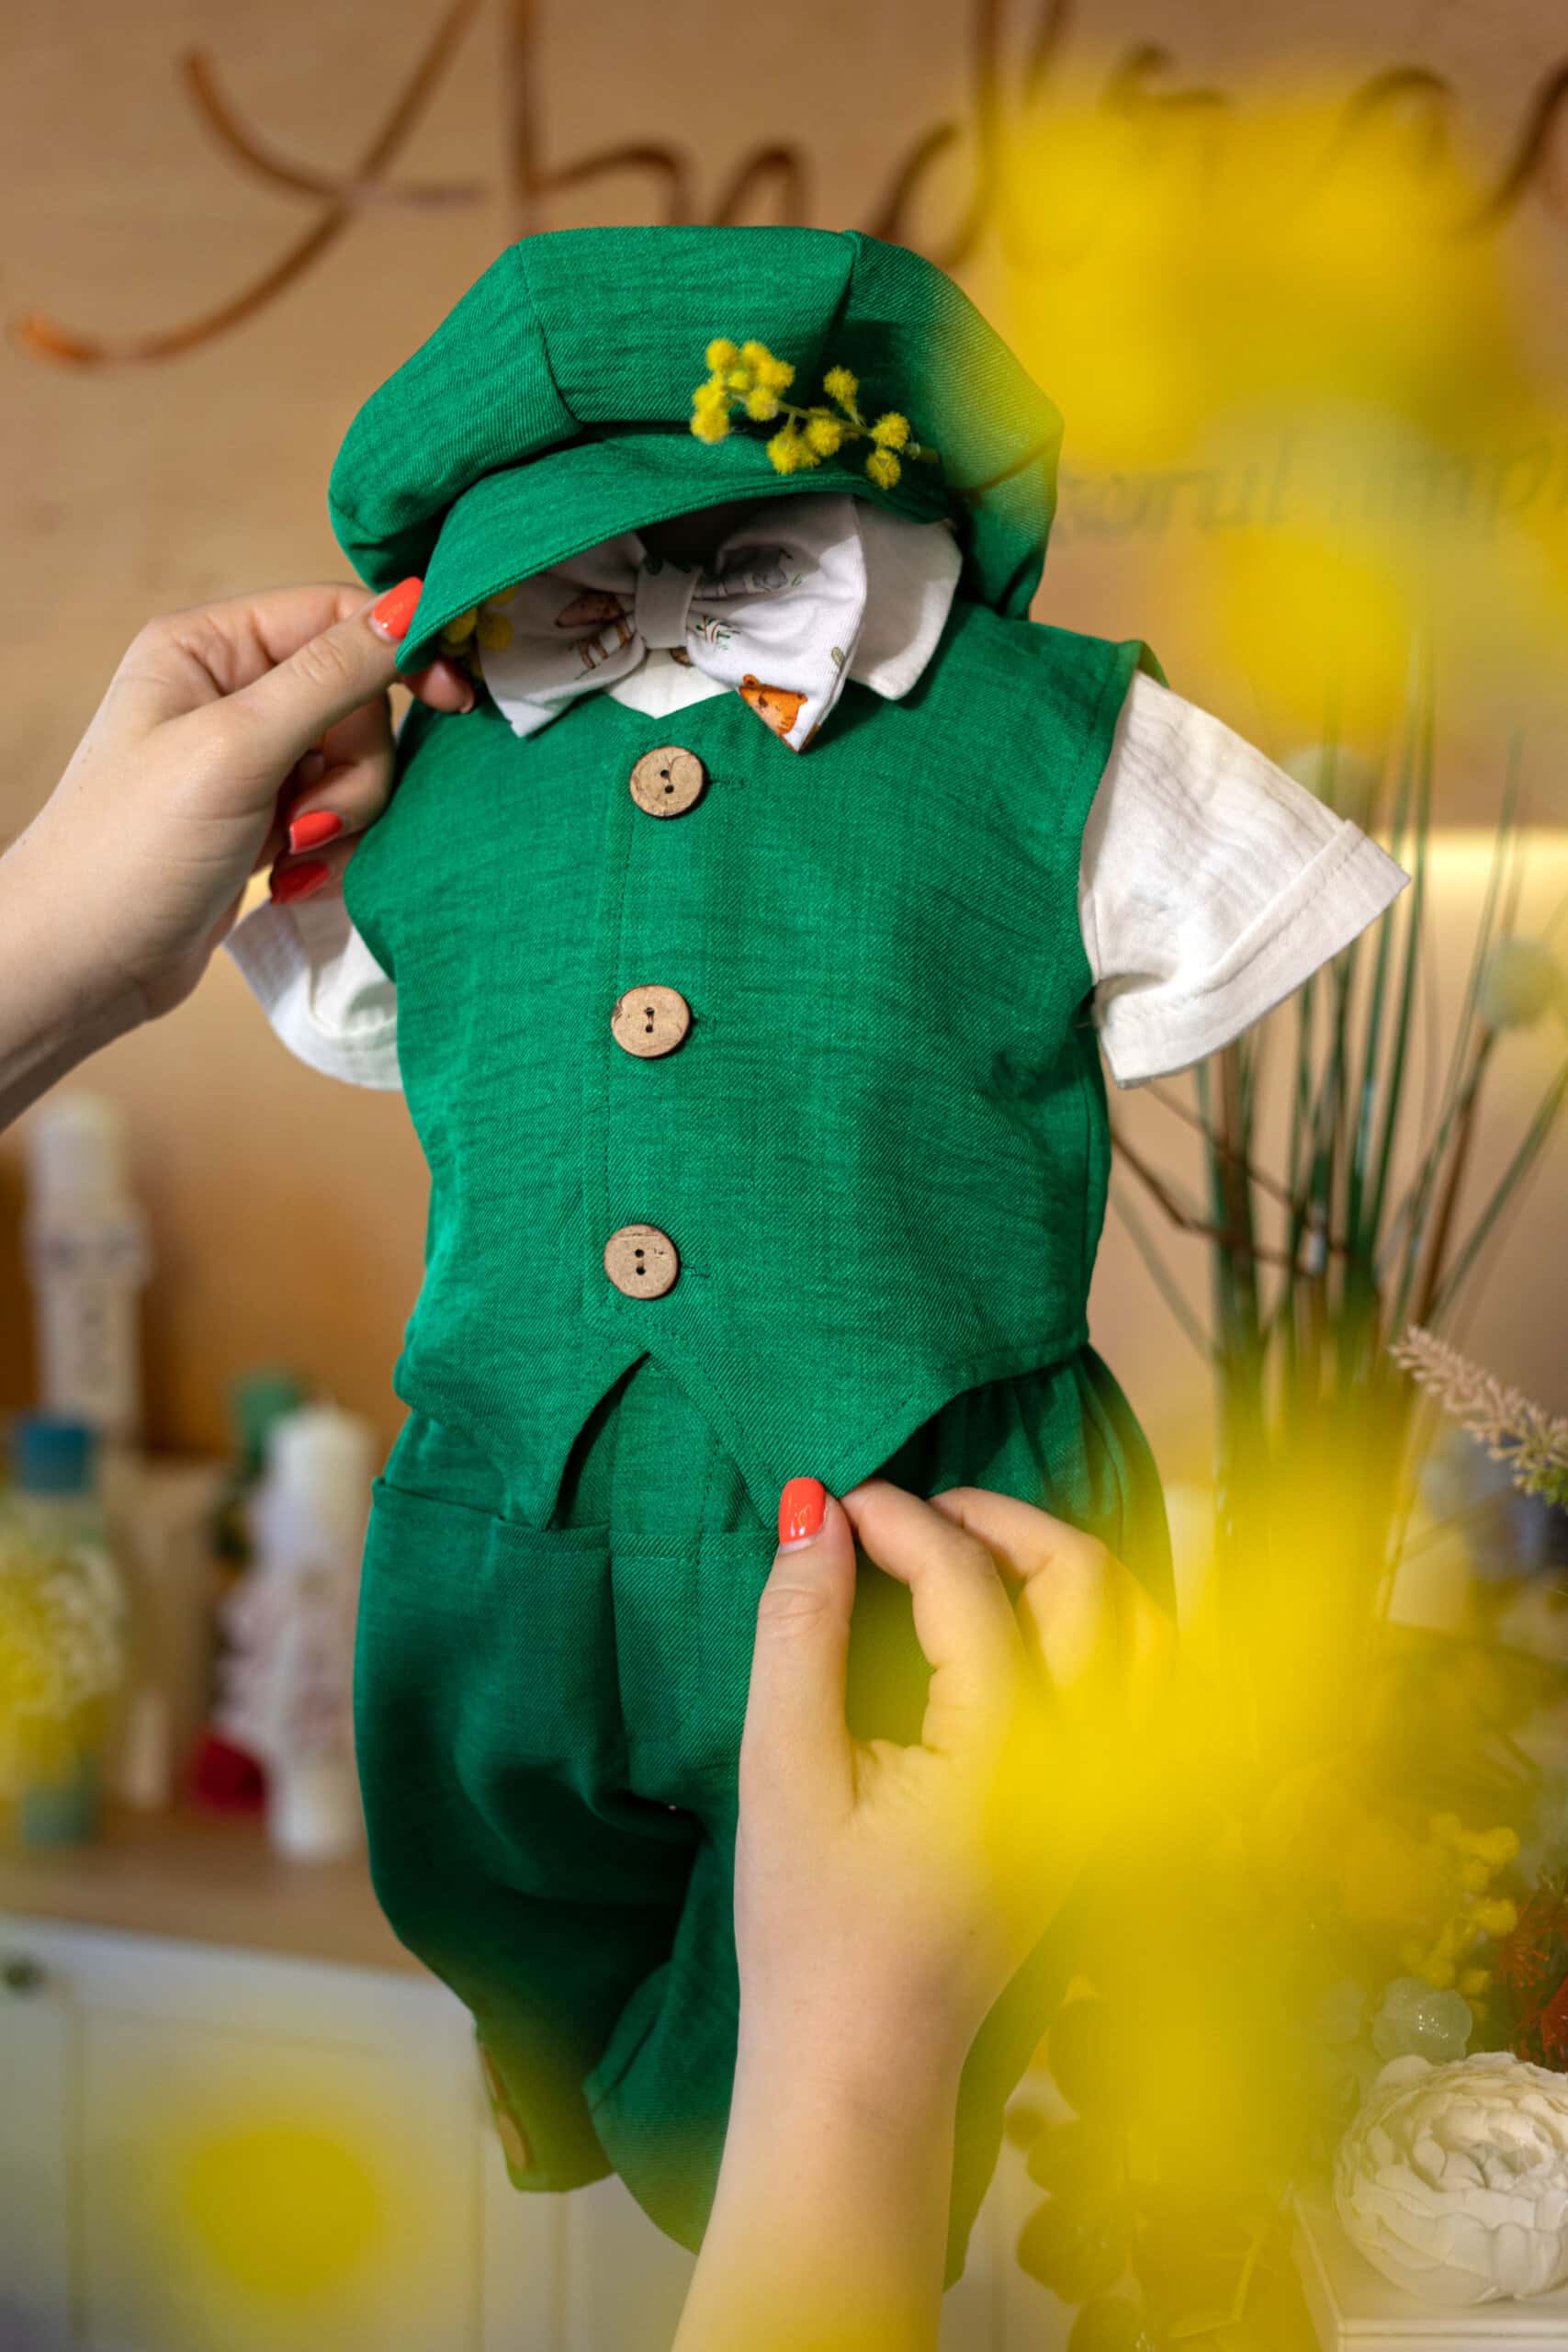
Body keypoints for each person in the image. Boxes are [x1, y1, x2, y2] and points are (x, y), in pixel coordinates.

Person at [0, 584, 1170, 2352]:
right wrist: (860, 2076)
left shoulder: (1029, 730)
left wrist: (58, 948)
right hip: (534, 1547)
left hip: (901, 1532)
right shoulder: (442, 789)